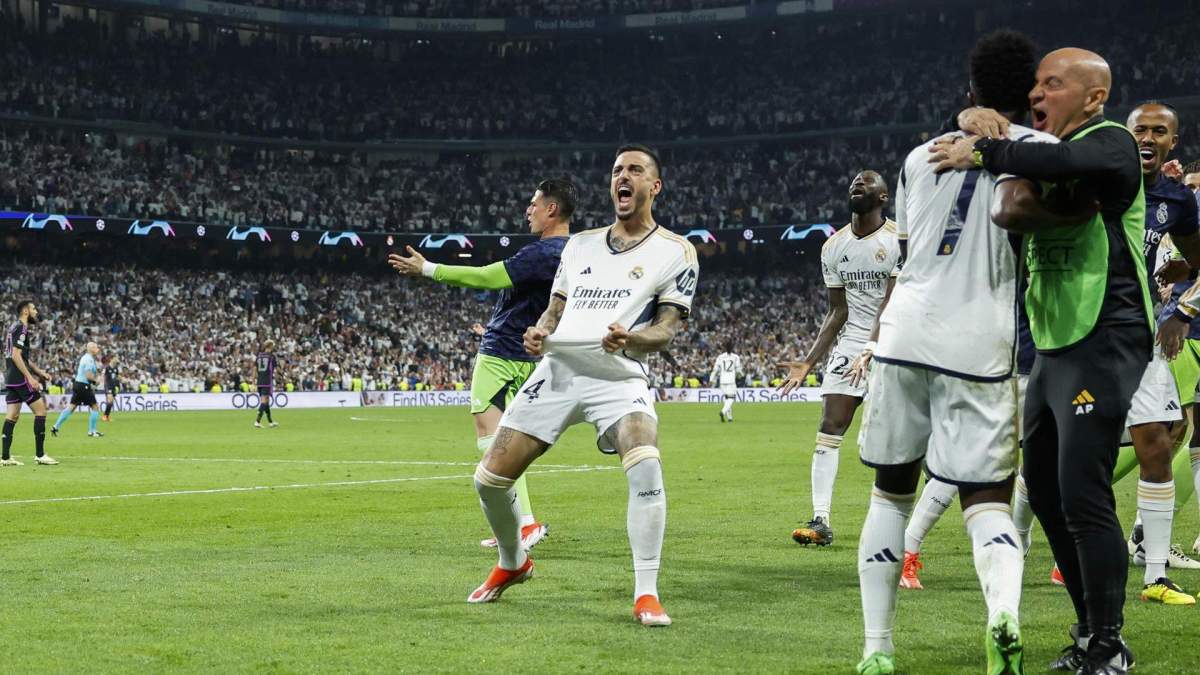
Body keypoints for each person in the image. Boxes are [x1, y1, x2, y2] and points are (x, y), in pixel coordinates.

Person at [933, 47, 1150, 674]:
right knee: (1048, 494)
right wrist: (975, 121)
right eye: (1035, 85)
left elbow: (1065, 163)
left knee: (1082, 492)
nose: (1037, 94)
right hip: (1055, 341)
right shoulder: (1042, 149)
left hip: (1105, 332)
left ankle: (1109, 645)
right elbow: (1015, 189)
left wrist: (983, 150)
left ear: (1093, 96)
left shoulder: (1110, 142)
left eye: (1052, 85)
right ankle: (1087, 632)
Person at [851, 31, 1056, 675]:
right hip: (980, 339)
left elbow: (910, 248)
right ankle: (1003, 614)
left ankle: (877, 648)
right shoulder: (1044, 151)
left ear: (971, 90)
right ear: (1030, 91)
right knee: (988, 499)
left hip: (904, 332)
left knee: (889, 496)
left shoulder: (920, 156)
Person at [465, 145, 698, 629]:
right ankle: (513, 562)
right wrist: (539, 331)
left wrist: (632, 337)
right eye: (617, 170)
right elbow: (554, 310)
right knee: (488, 480)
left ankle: (647, 593)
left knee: (645, 459)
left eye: (635, 170)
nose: (623, 177)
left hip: (618, 373)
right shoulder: (580, 246)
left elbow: (667, 329)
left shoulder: (676, 251)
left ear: (655, 186)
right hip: (558, 371)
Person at [389, 178, 574, 551]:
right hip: (530, 355)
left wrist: (429, 269)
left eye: (534, 203)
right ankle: (520, 524)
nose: (528, 210)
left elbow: (487, 276)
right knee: (509, 438)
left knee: (492, 436)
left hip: (501, 353)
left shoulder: (542, 252)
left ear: (552, 209)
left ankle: (522, 523)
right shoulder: (575, 253)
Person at [779, 171, 900, 547]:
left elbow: (892, 301)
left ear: (883, 197)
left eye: (866, 182)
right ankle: (820, 520)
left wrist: (874, 347)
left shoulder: (898, 240)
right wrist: (808, 362)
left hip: (894, 342)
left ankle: (896, 523)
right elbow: (837, 311)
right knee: (830, 424)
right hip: (851, 345)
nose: (857, 184)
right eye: (853, 183)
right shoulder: (833, 246)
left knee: (893, 438)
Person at [3, 301, 56, 466]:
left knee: (12, 415)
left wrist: (39, 372)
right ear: (25, 311)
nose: (36, 311)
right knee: (41, 411)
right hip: (20, 378)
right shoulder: (22, 328)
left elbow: (21, 357)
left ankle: (5, 457)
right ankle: (40, 455)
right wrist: (31, 378)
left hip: (11, 378)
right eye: (34, 308)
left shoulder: (13, 327)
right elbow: (15, 355)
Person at [51, 341, 104, 439]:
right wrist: (96, 381)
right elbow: (88, 376)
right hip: (83, 385)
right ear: (91, 349)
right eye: (96, 347)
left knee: (71, 407)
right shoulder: (89, 359)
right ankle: (92, 431)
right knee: (95, 407)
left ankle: (55, 427)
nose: (98, 349)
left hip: (78, 384)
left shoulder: (86, 358)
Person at [709, 342, 743, 422]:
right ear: (732, 348)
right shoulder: (736, 357)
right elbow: (738, 370)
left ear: (724, 348)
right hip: (731, 380)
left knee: (727, 399)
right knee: (731, 398)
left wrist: (711, 379)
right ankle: (723, 412)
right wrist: (741, 375)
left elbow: (715, 369)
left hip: (722, 380)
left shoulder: (720, 357)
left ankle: (730, 418)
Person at [254, 340, 278, 428]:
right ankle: (257, 421)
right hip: (267, 381)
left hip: (259, 381)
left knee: (267, 401)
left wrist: (253, 381)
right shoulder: (271, 357)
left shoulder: (259, 356)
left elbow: (254, 368)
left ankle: (270, 422)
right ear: (270, 346)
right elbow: (276, 369)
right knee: (264, 401)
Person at [102, 354, 120, 421]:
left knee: (111, 402)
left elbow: (117, 377)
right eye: (116, 358)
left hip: (113, 386)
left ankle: (107, 415)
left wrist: (121, 379)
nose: (117, 359)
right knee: (110, 401)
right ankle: (105, 416)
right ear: (112, 359)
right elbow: (102, 375)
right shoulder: (106, 368)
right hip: (108, 386)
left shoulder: (116, 368)